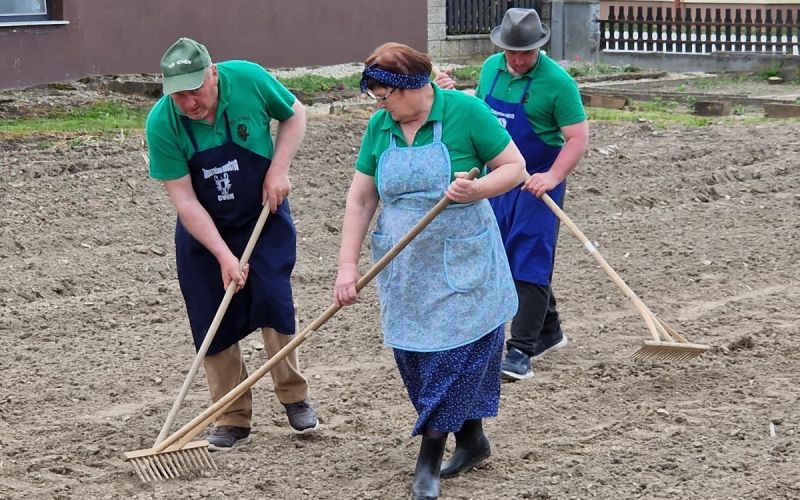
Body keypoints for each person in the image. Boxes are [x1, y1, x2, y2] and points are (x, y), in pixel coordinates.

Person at [334, 43, 526, 500]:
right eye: (376, 98)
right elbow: (362, 199)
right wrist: (347, 265)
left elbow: (515, 169)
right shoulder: (381, 127)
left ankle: (428, 460)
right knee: (418, 361)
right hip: (405, 269)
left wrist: (475, 189)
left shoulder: (466, 112)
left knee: (451, 359)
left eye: (386, 97)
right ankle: (474, 439)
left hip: (464, 265)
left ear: (416, 86)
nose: (381, 107)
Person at [145, 37, 318, 451]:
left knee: (273, 300)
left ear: (213, 72)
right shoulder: (162, 123)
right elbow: (184, 199)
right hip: (205, 230)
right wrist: (223, 255)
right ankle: (232, 415)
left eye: (195, 90)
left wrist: (279, 168)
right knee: (212, 319)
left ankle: (294, 396)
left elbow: (294, 113)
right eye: (179, 94)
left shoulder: (249, 78)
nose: (189, 102)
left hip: (262, 210)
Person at [437, 8, 589, 381]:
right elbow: (483, 115)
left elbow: (577, 138)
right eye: (511, 53)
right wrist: (456, 96)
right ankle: (549, 330)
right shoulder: (492, 68)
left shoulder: (558, 83)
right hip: (499, 179)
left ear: (540, 47)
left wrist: (552, 176)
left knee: (529, 256)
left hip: (537, 183)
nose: (518, 60)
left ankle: (520, 349)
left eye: (526, 53)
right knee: (506, 256)